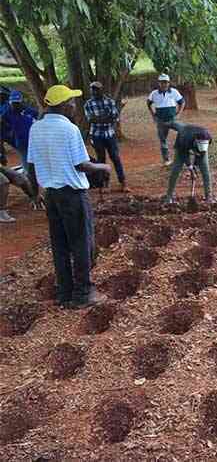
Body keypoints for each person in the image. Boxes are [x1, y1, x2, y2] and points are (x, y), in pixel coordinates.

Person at [27, 85, 111, 309]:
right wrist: (103, 166)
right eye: (72, 103)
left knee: (60, 245)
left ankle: (65, 293)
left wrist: (37, 192)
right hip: (72, 196)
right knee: (82, 243)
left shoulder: (36, 129)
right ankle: (84, 294)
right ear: (64, 106)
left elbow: (31, 164)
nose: (75, 106)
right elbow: (81, 164)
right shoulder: (69, 130)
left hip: (51, 196)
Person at [84, 82, 128, 193]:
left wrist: (100, 118)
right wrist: (106, 117)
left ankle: (123, 183)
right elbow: (91, 119)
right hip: (97, 135)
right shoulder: (88, 104)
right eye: (92, 90)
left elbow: (113, 118)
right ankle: (105, 184)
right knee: (101, 160)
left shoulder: (109, 101)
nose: (94, 92)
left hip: (109, 134)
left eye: (96, 90)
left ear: (102, 90)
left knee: (115, 158)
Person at [163, 122, 213, 204]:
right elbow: (183, 154)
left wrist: (195, 166)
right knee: (176, 169)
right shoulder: (184, 138)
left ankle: (209, 197)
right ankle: (169, 197)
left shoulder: (208, 137)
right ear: (196, 141)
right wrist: (190, 167)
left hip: (194, 141)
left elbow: (202, 153)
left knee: (205, 170)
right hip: (182, 146)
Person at [147, 73, 184, 166]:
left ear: (169, 83)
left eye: (166, 82)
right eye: (162, 82)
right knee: (163, 140)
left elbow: (182, 102)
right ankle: (166, 160)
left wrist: (179, 114)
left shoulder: (174, 92)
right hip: (161, 121)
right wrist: (153, 115)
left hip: (172, 119)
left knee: (183, 130)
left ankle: (180, 151)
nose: (164, 84)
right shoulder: (154, 93)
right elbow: (148, 103)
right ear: (159, 83)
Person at [1, 91, 39, 172]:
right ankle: (30, 176)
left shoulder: (29, 110)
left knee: (36, 160)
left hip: (34, 140)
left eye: (17, 102)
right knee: (26, 161)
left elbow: (38, 117)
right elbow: (2, 124)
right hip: (21, 141)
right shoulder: (7, 113)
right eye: (13, 103)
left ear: (21, 101)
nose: (15, 105)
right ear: (10, 102)